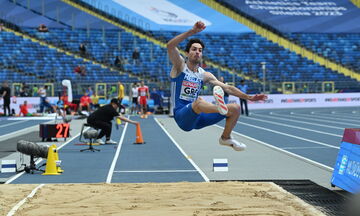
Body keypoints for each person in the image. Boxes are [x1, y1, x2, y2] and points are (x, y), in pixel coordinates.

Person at [166, 21, 267, 151]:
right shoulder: (179, 67)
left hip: (198, 117)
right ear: (186, 53)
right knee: (199, 102)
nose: (197, 52)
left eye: (200, 50)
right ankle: (220, 108)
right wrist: (192, 31)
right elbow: (170, 46)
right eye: (194, 49)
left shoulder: (205, 75)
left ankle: (225, 137)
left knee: (235, 108)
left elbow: (228, 88)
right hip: (182, 116)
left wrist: (249, 97)